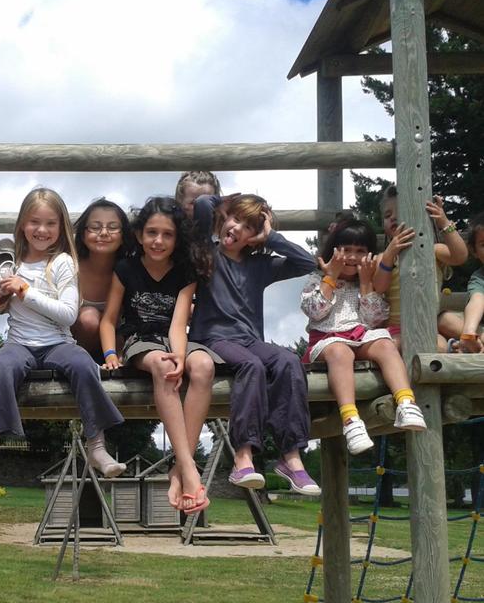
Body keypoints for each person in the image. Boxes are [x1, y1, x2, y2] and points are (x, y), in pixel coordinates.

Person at [0, 188, 125, 477]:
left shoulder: (63, 262)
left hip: (58, 342)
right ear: (22, 225)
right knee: (2, 366)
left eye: (50, 223)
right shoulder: (12, 262)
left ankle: (97, 446)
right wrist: (1, 300)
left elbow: (68, 314)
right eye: (34, 222)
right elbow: (6, 309)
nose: (42, 230)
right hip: (19, 342)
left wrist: (25, 291)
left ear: (61, 227)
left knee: (83, 364)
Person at [190, 193, 320, 496]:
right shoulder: (206, 254)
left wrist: (270, 237)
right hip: (213, 338)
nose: (236, 228)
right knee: (252, 366)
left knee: (289, 361)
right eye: (234, 219)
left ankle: (291, 457)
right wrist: (227, 203)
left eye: (247, 226)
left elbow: (307, 263)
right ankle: (243, 456)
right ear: (224, 218)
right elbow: (202, 204)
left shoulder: (260, 265)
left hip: (248, 339)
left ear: (255, 236)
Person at [100, 196, 218, 513]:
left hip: (173, 338)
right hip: (141, 340)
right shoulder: (126, 269)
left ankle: (179, 467)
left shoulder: (184, 272)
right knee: (164, 367)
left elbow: (178, 324)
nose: (158, 241)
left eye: (167, 234)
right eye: (152, 232)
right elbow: (108, 320)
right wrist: (110, 353)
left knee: (203, 365)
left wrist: (180, 355)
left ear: (177, 239)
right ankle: (189, 470)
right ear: (140, 235)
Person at [302, 215, 427, 453]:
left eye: (360, 251)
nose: (352, 256)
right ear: (334, 250)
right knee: (341, 352)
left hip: (359, 337)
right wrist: (331, 277)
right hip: (327, 342)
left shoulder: (365, 281)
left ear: (369, 254)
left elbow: (374, 320)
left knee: (385, 343)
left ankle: (406, 402)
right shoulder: (317, 279)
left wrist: (366, 284)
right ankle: (351, 421)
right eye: (346, 249)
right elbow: (315, 311)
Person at [375, 186, 468, 350]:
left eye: (401, 212)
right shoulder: (383, 258)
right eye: (388, 215)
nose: (394, 217)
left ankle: (462, 346)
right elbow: (379, 287)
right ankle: (456, 347)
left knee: (438, 346)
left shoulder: (432, 250)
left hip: (428, 325)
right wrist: (390, 254)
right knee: (394, 345)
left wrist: (444, 223)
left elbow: (460, 256)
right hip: (396, 328)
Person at [70, 198, 135, 356]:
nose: (104, 233)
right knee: (89, 319)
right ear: (83, 234)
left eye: (113, 227)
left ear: (123, 235)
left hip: (117, 344)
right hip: (74, 343)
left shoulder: (131, 269)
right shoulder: (69, 266)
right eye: (95, 227)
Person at [456, 213, 484, 353]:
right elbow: (477, 300)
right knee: (444, 319)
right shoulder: (479, 278)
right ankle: (470, 338)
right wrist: (469, 330)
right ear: (474, 251)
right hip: (480, 330)